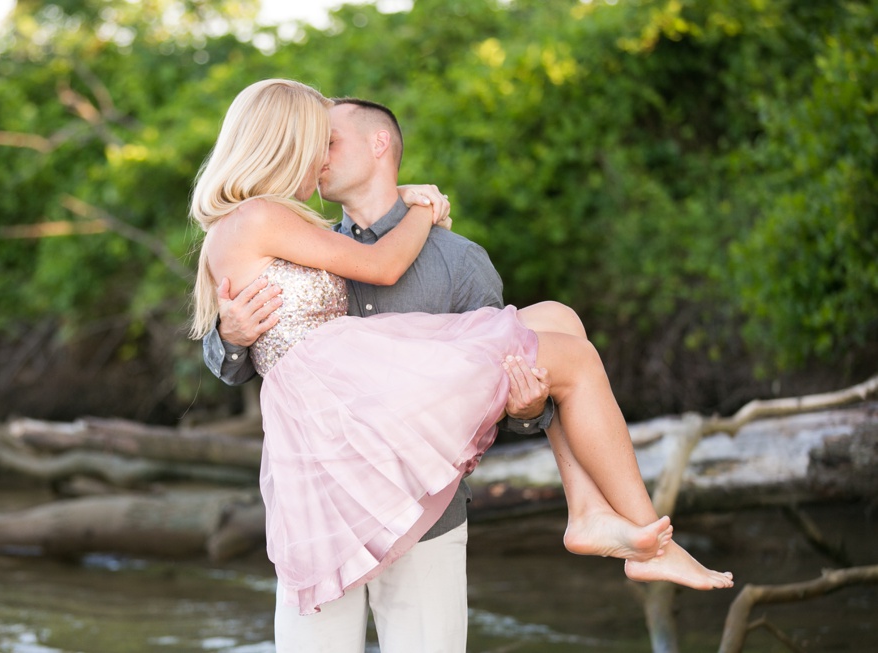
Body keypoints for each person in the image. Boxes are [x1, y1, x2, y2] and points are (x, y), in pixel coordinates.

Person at [192, 79, 733, 648]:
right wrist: (230, 334)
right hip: (332, 476)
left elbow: (515, 397)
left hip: (426, 504)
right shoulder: (290, 231)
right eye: (312, 140)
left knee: (560, 322)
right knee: (574, 353)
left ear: (379, 146)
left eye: (330, 141)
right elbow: (248, 347)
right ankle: (650, 539)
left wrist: (527, 410)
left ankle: (588, 509)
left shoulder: (455, 260)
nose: (319, 156)